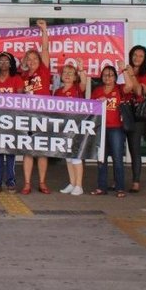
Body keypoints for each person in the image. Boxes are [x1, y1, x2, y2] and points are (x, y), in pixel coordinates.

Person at [20, 19, 52, 195]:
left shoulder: (44, 71)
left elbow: (45, 49)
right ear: (25, 61)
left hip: (43, 115)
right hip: (28, 115)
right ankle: (26, 183)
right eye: (29, 58)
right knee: (28, 150)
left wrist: (44, 31)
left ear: (39, 60)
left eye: (34, 58)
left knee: (42, 150)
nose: (32, 61)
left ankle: (42, 182)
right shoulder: (23, 76)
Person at [0, 51, 25, 193]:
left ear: (11, 63)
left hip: (11, 120)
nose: (3, 63)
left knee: (10, 153)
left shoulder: (17, 78)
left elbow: (20, 99)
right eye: (0, 61)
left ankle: (11, 181)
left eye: (6, 61)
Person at [119, 44, 146, 193]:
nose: (137, 58)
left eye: (141, 56)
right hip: (120, 110)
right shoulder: (122, 69)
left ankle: (136, 181)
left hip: (136, 114)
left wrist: (131, 74)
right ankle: (117, 180)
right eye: (135, 55)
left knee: (134, 149)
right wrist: (125, 71)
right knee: (116, 149)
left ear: (145, 59)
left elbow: (139, 91)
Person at [90, 65, 127, 198]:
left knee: (117, 158)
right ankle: (101, 187)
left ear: (116, 77)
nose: (107, 77)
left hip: (116, 127)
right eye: (105, 74)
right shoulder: (97, 91)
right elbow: (91, 109)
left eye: (111, 75)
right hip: (101, 128)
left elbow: (129, 86)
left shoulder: (119, 89)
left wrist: (124, 69)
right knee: (101, 159)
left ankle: (120, 187)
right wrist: (98, 103)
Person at [54, 62, 88, 196]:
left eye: (70, 73)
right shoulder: (57, 92)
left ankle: (79, 185)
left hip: (75, 127)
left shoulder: (77, 89)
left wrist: (81, 69)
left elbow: (84, 82)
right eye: (65, 73)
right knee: (68, 157)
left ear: (75, 77)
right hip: (63, 128)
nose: (67, 75)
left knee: (76, 156)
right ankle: (72, 183)